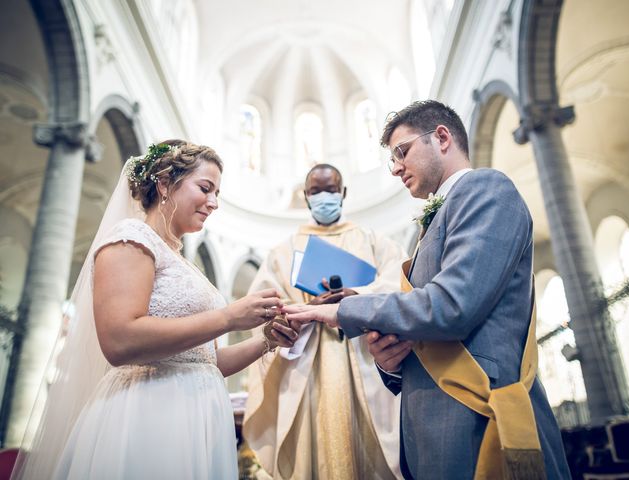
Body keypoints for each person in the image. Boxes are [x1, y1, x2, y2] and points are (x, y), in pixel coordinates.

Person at [285, 101, 572, 479]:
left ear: (441, 137)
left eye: (402, 152)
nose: (395, 167)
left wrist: (342, 311)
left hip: (478, 423)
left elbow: (451, 307)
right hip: (436, 432)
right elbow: (435, 336)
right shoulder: (436, 219)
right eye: (391, 159)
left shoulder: (485, 188)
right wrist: (393, 364)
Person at [12, 141, 299, 479]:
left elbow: (207, 361)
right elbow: (119, 341)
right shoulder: (131, 238)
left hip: (195, 416)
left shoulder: (183, 262)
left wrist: (267, 341)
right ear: (164, 183)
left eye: (217, 193)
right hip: (147, 413)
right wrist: (229, 317)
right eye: (205, 188)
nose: (214, 203)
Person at [242, 164, 406, 479]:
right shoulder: (283, 251)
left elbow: (400, 281)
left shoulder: (371, 240)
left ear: (343, 193)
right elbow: (261, 312)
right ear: (306, 197)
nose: (324, 197)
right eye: (316, 192)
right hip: (307, 366)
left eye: (331, 190)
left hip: (364, 360)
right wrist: (306, 309)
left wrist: (358, 293)